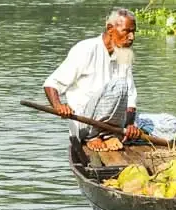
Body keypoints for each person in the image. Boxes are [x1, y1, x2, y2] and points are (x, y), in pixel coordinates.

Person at [44, 8, 142, 152]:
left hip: (113, 125)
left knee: (168, 123)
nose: (132, 37)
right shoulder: (86, 49)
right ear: (110, 29)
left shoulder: (123, 55)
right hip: (85, 123)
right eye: (126, 31)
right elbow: (51, 84)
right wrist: (58, 106)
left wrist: (130, 125)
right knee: (119, 84)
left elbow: (131, 98)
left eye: (133, 32)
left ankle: (111, 134)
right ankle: (95, 136)